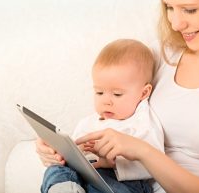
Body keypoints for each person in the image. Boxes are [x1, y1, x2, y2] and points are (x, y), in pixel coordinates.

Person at [37, 0, 199, 192]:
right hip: (120, 179)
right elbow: (115, 111)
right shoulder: (163, 56)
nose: (176, 24)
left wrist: (141, 151)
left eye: (189, 10)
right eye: (169, 7)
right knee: (60, 173)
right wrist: (67, 151)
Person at [40, 39, 164, 193]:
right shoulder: (88, 123)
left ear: (143, 93)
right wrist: (60, 152)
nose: (106, 101)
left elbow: (156, 165)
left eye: (117, 94)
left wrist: (113, 163)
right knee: (57, 170)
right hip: (84, 177)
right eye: (99, 92)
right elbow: (75, 152)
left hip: (123, 183)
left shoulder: (143, 122)